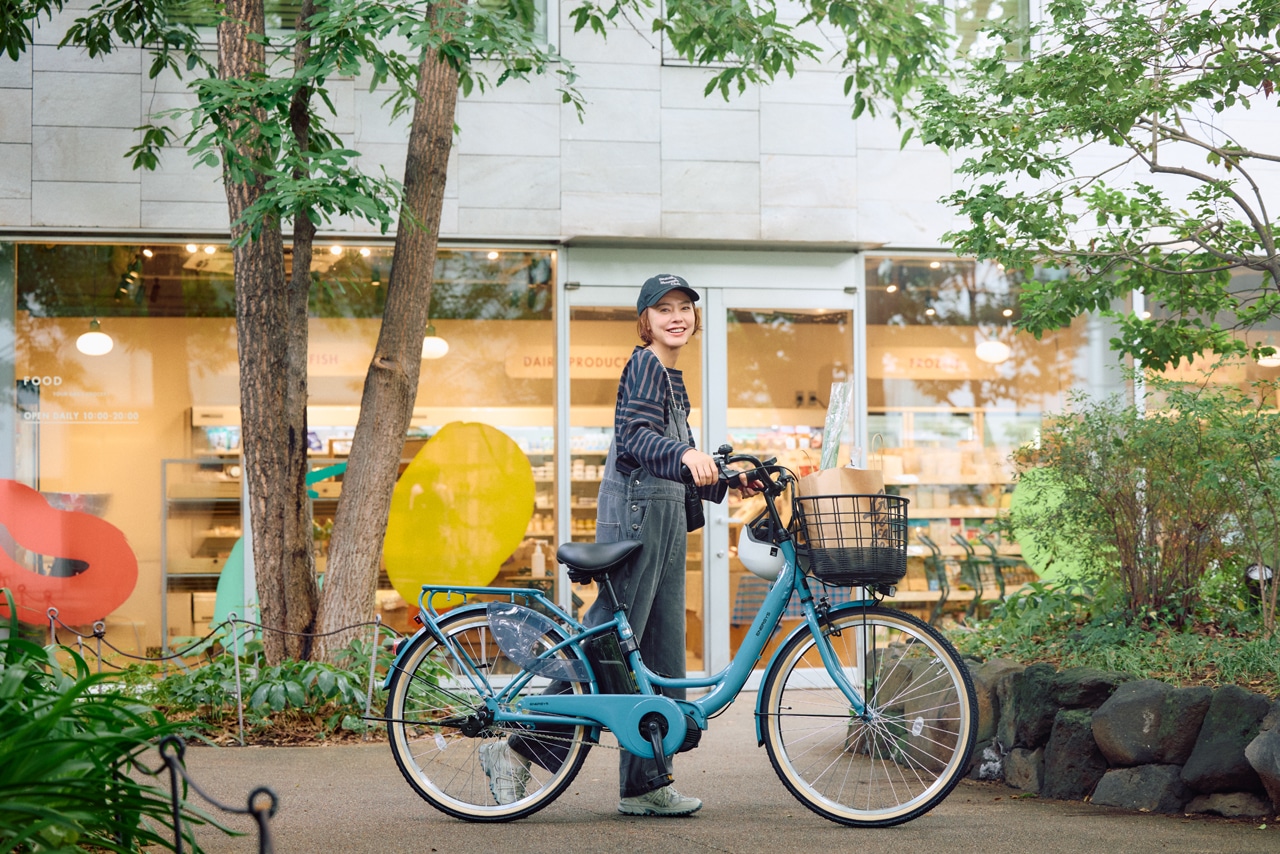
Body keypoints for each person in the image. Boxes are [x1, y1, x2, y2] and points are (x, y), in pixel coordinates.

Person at [481, 273, 756, 816]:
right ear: (645, 321)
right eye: (664, 309)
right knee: (606, 649)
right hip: (635, 518)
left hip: (666, 518)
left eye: (685, 308)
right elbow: (636, 439)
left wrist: (727, 479)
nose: (677, 317)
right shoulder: (644, 366)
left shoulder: (672, 378)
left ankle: (647, 782)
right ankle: (515, 750)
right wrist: (684, 458)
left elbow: (680, 455)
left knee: (657, 656)